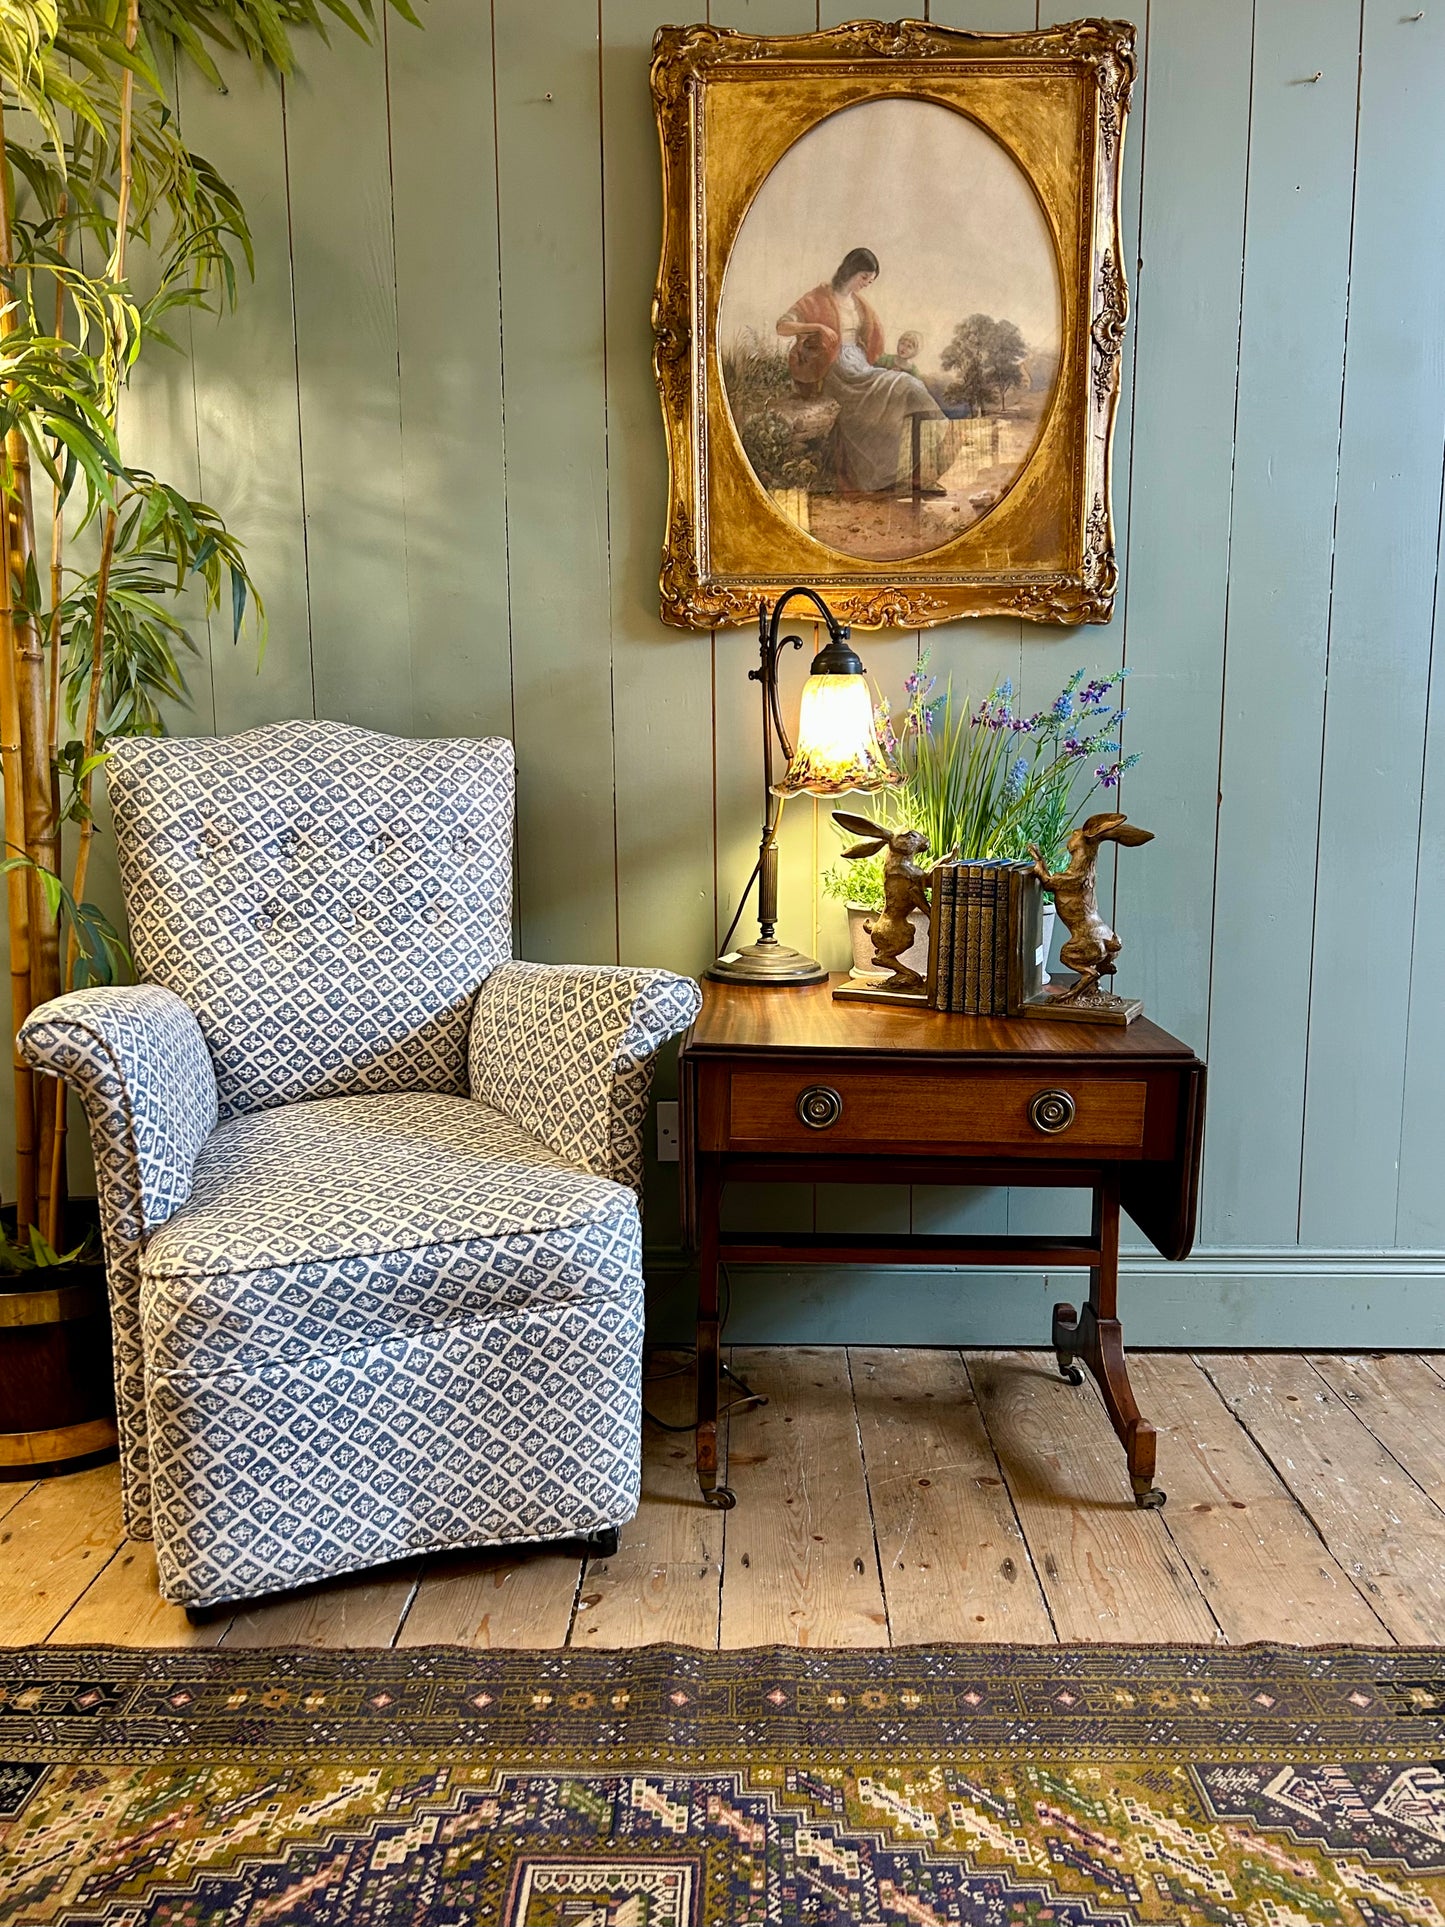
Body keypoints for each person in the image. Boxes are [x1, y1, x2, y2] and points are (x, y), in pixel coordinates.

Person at [776, 250, 942, 495]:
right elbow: (782, 326)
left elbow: (873, 341)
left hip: (859, 364)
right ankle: (894, 476)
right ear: (850, 270)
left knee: (907, 387)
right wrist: (818, 327)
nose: (866, 284)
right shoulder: (818, 297)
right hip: (836, 368)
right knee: (904, 385)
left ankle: (918, 471)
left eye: (870, 281)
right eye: (864, 277)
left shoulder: (857, 303)